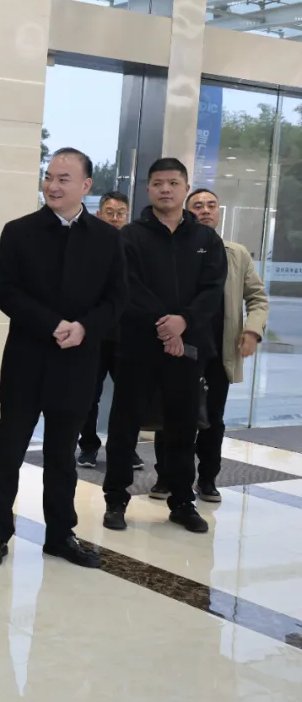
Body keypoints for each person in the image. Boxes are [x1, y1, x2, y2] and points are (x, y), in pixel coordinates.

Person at [0, 148, 127, 570]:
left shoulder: (107, 238)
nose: (53, 186)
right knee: (7, 452)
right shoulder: (19, 231)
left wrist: (84, 328)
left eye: (64, 179)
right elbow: (6, 291)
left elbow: (117, 298)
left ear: (85, 186)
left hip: (77, 361)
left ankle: (60, 535)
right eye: (49, 177)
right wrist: (52, 324)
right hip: (26, 359)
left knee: (62, 456)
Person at [103, 159, 227, 534]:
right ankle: (116, 500)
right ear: (148, 189)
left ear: (185, 188)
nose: (165, 189)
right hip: (137, 347)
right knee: (124, 425)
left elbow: (212, 291)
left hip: (188, 350)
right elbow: (128, 286)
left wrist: (183, 323)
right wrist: (166, 326)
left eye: (173, 183)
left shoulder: (207, 240)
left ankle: (182, 501)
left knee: (182, 427)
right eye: (158, 183)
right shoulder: (130, 236)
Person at [149, 188, 268, 502]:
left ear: (218, 212)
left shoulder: (236, 253)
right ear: (187, 211)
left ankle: (207, 478)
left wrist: (252, 331)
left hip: (219, 350)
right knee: (170, 415)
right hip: (179, 347)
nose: (205, 210)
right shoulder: (175, 248)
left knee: (212, 418)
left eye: (211, 205)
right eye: (198, 205)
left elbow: (257, 297)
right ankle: (166, 477)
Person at [77, 191, 144, 470]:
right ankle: (88, 446)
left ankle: (126, 449)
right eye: (110, 213)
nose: (115, 218)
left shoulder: (135, 244)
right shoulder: (89, 243)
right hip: (95, 333)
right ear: (99, 214)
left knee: (129, 396)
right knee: (89, 394)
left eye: (120, 213)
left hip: (127, 333)